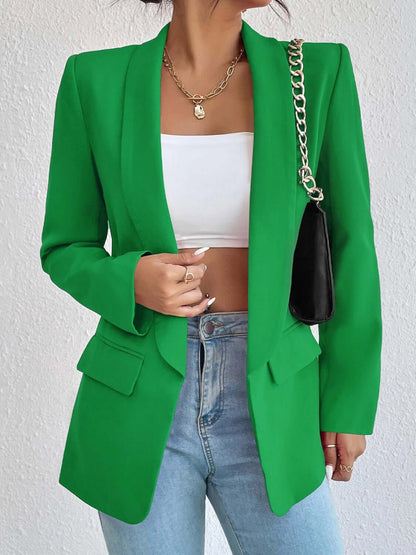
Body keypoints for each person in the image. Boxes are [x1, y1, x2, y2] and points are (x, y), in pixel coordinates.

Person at [39, 0, 382, 553]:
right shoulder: (93, 80)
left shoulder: (316, 73)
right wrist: (130, 279)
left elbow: (352, 247)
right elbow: (64, 246)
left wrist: (348, 399)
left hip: (273, 393)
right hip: (140, 398)